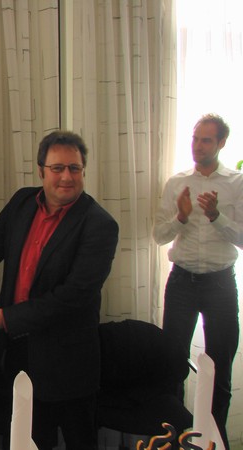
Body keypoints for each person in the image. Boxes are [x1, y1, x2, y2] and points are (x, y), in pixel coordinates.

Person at [0, 130, 119, 450]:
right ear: (41, 170)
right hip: (17, 356)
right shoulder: (23, 202)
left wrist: (7, 318)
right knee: (20, 441)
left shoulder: (100, 225)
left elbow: (73, 297)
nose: (67, 177)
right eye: (57, 168)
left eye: (75, 168)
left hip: (68, 366)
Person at [152, 113, 242, 449]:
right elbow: (159, 235)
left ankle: (213, 442)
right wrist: (181, 216)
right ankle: (175, 439)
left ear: (221, 143)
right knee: (171, 365)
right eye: (195, 138)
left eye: (206, 140)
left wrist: (217, 216)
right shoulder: (177, 183)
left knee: (220, 368)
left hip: (221, 285)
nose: (198, 146)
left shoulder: (237, 183)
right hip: (182, 284)